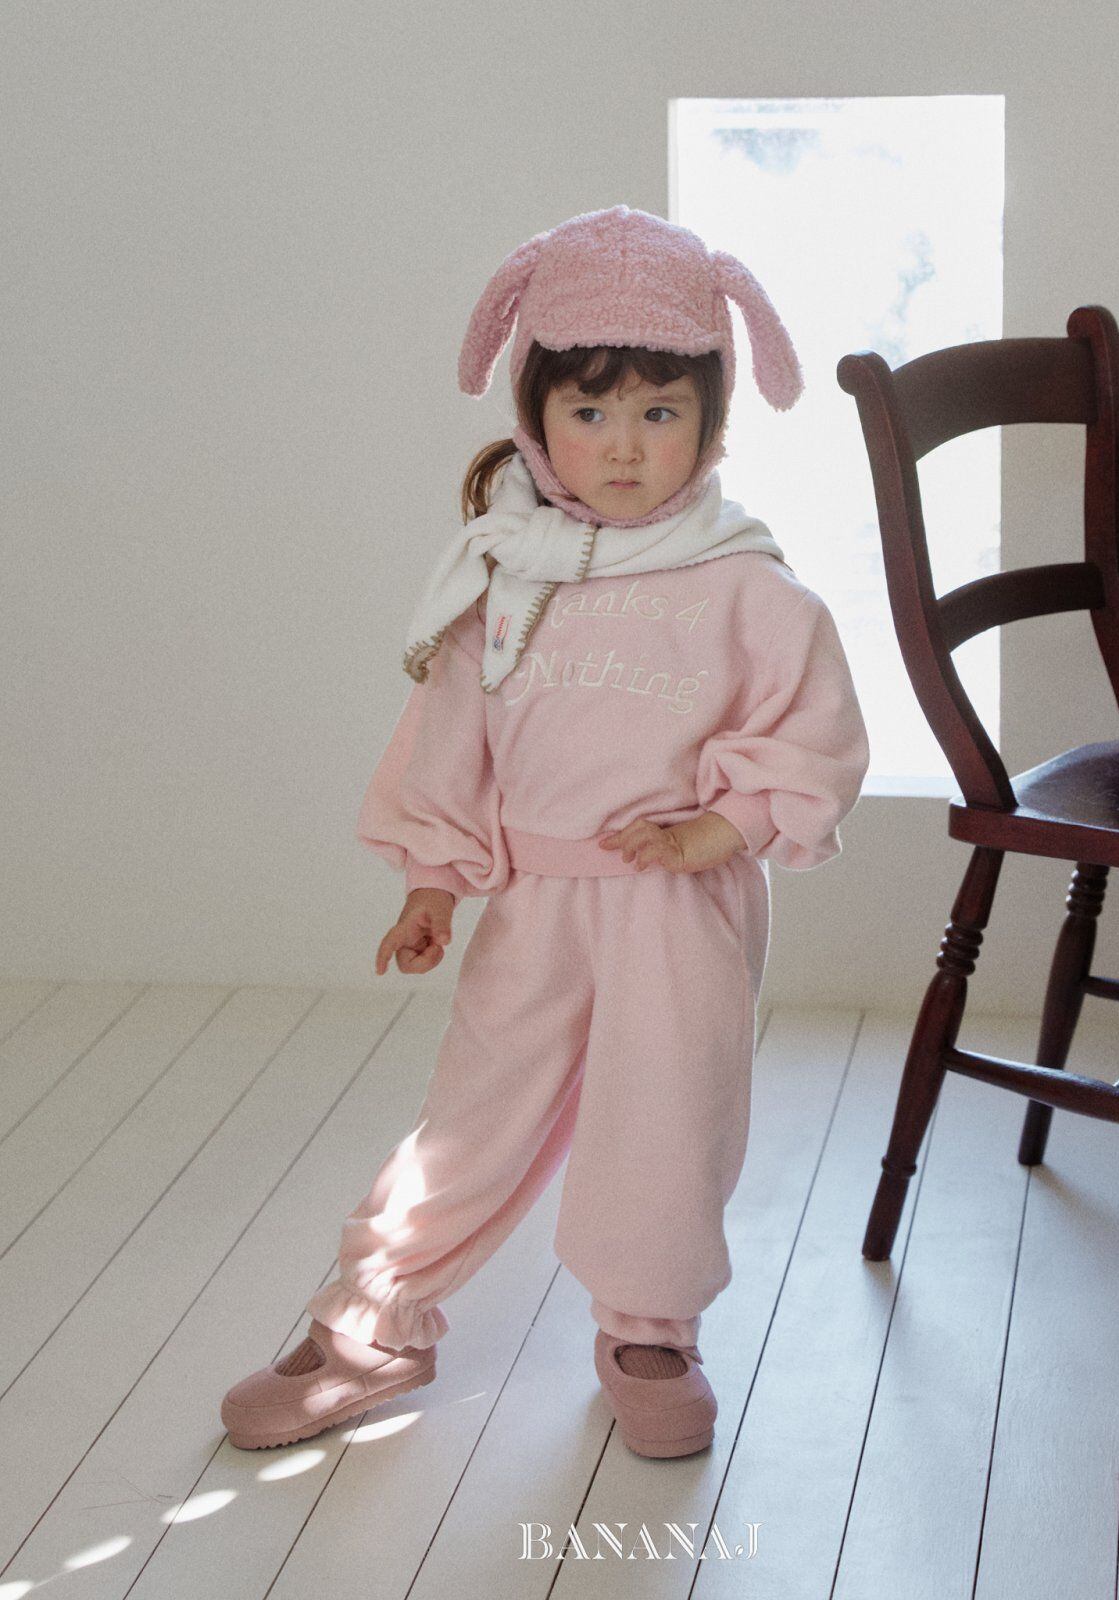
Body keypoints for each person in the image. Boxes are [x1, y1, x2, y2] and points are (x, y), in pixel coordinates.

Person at [221, 204, 871, 1458]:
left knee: (665, 1120)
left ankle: (648, 1327)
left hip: (674, 909)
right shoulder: (504, 577)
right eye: (588, 410)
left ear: (712, 423)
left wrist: (719, 826)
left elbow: (814, 731)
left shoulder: (747, 583)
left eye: (659, 412)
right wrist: (431, 882)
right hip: (539, 900)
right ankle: (374, 1318)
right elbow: (449, 737)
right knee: (472, 1114)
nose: (623, 446)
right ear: (534, 417)